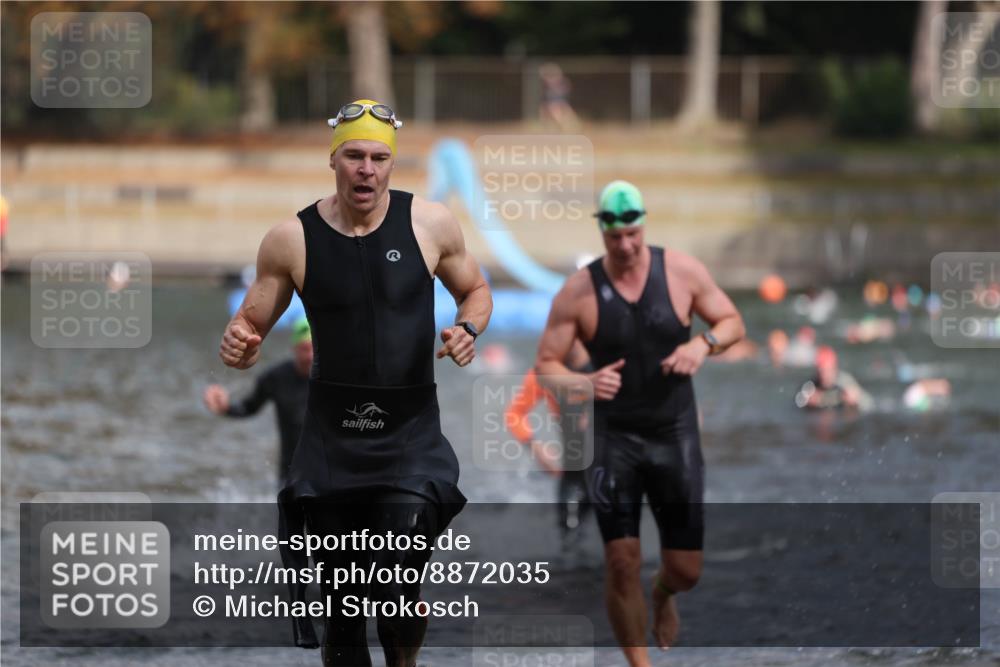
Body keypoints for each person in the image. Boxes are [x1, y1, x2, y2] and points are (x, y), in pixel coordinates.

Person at [218, 100, 492, 666]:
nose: (366, 168)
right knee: (343, 612)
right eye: (354, 156)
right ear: (334, 161)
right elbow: (250, 323)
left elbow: (477, 291)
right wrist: (239, 343)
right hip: (332, 443)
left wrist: (467, 327)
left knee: (395, 589)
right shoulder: (290, 239)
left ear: (391, 164)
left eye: (378, 157)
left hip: (410, 437)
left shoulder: (430, 224)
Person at [535, 180, 745, 664]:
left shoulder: (682, 272)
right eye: (615, 238)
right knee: (620, 560)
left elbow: (732, 322)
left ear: (643, 225)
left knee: (687, 569)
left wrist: (702, 346)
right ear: (602, 232)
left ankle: (664, 592)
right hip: (613, 439)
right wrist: (583, 385)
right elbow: (547, 364)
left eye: (633, 234)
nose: (626, 246)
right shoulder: (579, 291)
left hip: (674, 434)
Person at [504, 340, 594, 549]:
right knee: (570, 535)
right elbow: (514, 414)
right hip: (574, 463)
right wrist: (536, 448)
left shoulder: (609, 361)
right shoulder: (543, 372)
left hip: (612, 455)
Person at [203, 316, 312, 485]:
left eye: (315, 350)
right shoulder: (276, 377)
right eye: (305, 349)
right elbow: (248, 407)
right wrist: (224, 407)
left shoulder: (332, 379)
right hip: (290, 472)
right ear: (294, 348)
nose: (310, 356)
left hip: (328, 469)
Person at [795, 346, 873, 411]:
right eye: (820, 371)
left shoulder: (845, 381)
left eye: (827, 370)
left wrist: (856, 400)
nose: (824, 375)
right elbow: (797, 402)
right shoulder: (811, 384)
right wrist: (807, 402)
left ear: (834, 368)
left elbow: (868, 404)